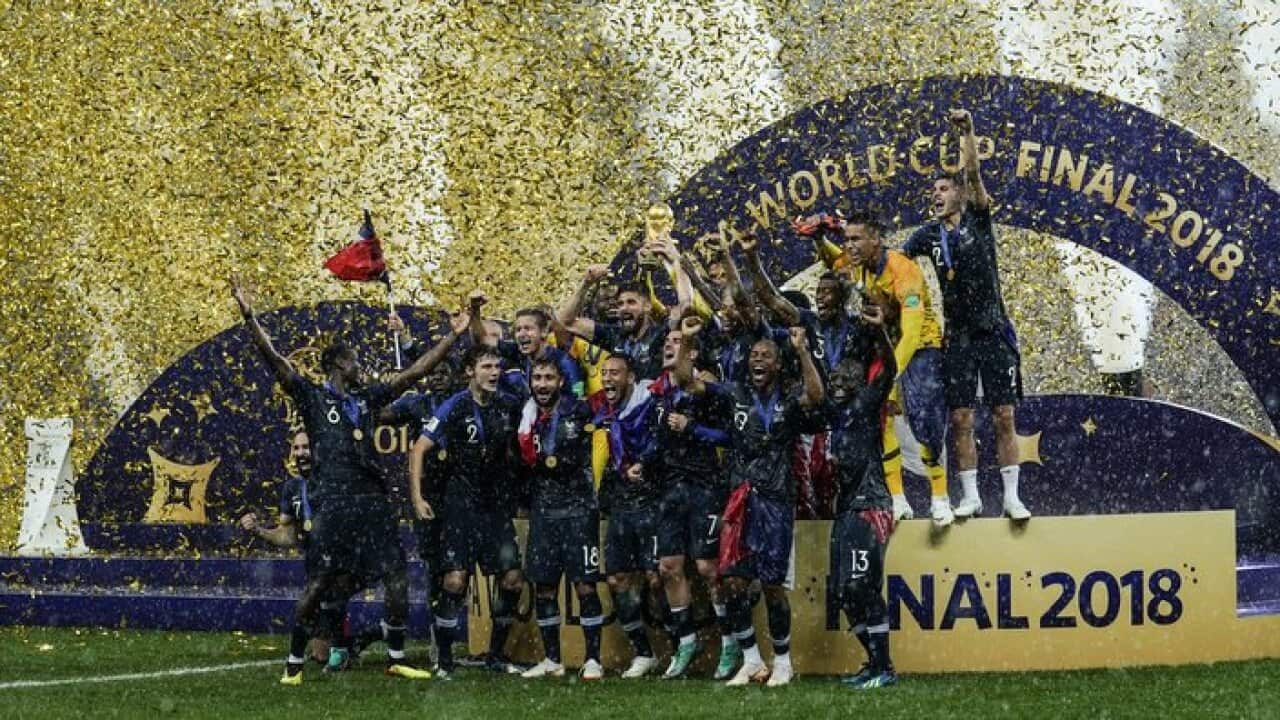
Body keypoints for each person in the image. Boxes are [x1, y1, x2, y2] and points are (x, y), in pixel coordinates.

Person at [230, 277, 463, 685]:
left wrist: (453, 337)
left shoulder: (366, 401)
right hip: (335, 502)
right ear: (340, 364)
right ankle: (294, 665)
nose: (360, 368)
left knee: (395, 575)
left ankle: (394, 658)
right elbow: (276, 359)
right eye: (354, 362)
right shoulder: (313, 398)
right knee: (320, 583)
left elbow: (414, 373)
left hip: (371, 501)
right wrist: (249, 316)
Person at [674, 316, 825, 688]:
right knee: (734, 584)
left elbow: (817, 395)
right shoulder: (734, 394)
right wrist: (686, 343)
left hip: (775, 500)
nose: (757, 360)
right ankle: (752, 660)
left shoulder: (789, 397)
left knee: (773, 586)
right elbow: (685, 380)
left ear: (777, 364)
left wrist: (803, 351)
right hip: (740, 498)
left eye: (765, 356)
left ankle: (784, 662)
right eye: (753, 355)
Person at [901, 109, 1031, 521]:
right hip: (956, 338)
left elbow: (973, 174)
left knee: (1004, 414)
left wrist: (968, 133)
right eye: (932, 191)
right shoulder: (926, 236)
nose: (936, 195)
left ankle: (1011, 497)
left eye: (943, 188)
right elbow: (892, 263)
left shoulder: (978, 216)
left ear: (959, 193)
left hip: (993, 332)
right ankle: (971, 496)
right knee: (960, 417)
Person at [407, 344, 525, 678]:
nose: (494, 373)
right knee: (456, 581)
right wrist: (417, 498)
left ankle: (496, 654)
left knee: (513, 580)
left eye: (497, 367)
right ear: (470, 372)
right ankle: (443, 659)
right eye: (487, 366)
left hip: (495, 507)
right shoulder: (454, 406)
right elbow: (418, 449)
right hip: (461, 506)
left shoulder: (508, 406)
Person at [831, 210, 953, 527]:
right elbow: (834, 262)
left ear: (876, 240)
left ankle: (940, 497)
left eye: (856, 239)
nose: (849, 246)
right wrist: (820, 238)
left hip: (921, 346)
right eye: (846, 239)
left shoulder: (904, 270)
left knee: (925, 419)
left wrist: (891, 376)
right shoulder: (857, 265)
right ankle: (898, 498)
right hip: (885, 345)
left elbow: (911, 332)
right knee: (882, 418)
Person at [649, 329, 737, 679]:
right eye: (667, 341)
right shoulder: (661, 394)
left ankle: (731, 642)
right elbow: (659, 440)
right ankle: (686, 641)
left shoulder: (708, 391)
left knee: (707, 568)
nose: (669, 345)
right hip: (671, 490)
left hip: (704, 486)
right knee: (668, 567)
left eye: (678, 342)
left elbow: (729, 437)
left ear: (693, 354)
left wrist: (693, 428)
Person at [823, 303, 900, 689]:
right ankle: (874, 663)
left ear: (858, 385)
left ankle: (885, 667)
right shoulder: (834, 417)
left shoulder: (865, 406)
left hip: (870, 505)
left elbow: (888, 369)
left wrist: (883, 332)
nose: (837, 383)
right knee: (841, 591)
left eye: (845, 379)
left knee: (861, 587)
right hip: (846, 510)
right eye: (834, 378)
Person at [515, 359, 607, 681]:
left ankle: (593, 659)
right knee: (544, 587)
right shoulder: (525, 417)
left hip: (579, 509)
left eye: (549, 377)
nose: (542, 384)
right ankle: (552, 660)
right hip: (543, 511)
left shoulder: (580, 411)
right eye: (537, 378)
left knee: (585, 586)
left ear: (560, 381)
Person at [589, 353, 664, 679]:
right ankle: (643, 652)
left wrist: (645, 462)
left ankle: (677, 646)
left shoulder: (649, 405)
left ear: (630, 377)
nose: (608, 378)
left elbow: (663, 440)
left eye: (615, 373)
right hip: (620, 503)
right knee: (617, 579)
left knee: (657, 579)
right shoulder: (597, 409)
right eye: (604, 373)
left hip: (652, 501)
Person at [558, 265, 673, 382]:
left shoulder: (663, 335)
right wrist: (586, 284)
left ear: (647, 306)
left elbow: (687, 309)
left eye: (631, 302)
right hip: (622, 398)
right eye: (620, 304)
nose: (624, 308)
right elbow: (566, 322)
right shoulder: (614, 334)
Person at [468, 292, 585, 400]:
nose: (522, 334)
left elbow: (578, 401)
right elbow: (483, 339)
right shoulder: (519, 352)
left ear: (544, 332)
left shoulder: (565, 363)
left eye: (528, 329)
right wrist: (475, 309)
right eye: (518, 330)